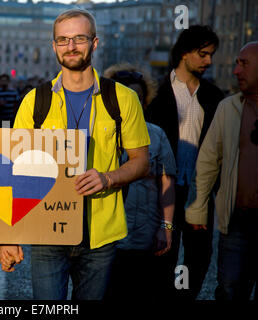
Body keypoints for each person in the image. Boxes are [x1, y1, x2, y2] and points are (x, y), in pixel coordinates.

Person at [0, 9, 150, 300]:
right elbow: (13, 171)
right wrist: (8, 236)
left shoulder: (123, 98)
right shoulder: (35, 101)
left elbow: (141, 162)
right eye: (63, 40)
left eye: (79, 38)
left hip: (101, 233)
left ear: (94, 43)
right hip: (47, 230)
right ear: (54, 46)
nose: (71, 47)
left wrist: (107, 178)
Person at [145, 25, 224, 300]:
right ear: (184, 53)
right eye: (203, 54)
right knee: (161, 253)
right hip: (163, 191)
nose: (209, 61)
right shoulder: (155, 94)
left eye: (211, 55)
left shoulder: (215, 97)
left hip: (199, 191)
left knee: (200, 256)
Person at [186, 42, 258, 300]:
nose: (236, 70)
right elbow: (207, 162)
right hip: (236, 220)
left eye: (244, 64)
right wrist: (197, 210)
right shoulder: (228, 108)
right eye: (236, 63)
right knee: (229, 290)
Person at [103, 63, 176, 301]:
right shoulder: (98, 135)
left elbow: (167, 184)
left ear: (145, 101)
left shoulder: (156, 135)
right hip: (108, 238)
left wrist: (165, 228)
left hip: (145, 236)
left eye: (138, 98)